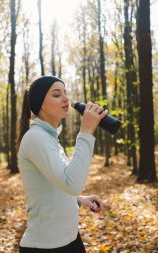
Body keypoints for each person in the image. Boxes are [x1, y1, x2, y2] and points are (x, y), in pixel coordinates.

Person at [17, 76, 107, 252]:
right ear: (40, 103)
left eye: (65, 93)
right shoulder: (35, 137)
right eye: (57, 94)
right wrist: (86, 131)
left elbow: (58, 181)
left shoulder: (50, 138)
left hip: (71, 240)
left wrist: (79, 199)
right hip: (45, 247)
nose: (66, 98)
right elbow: (71, 184)